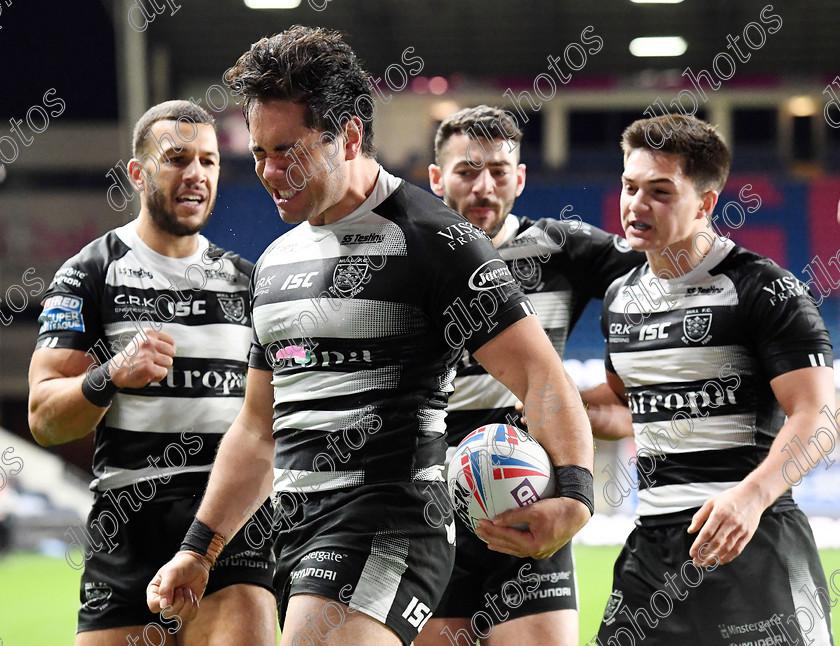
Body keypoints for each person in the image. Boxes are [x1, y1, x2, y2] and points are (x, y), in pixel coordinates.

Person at [145, 27, 595, 646]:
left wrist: (575, 496)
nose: (271, 173)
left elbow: (540, 374)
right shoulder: (275, 261)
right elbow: (257, 428)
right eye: (259, 154)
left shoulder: (435, 240)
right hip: (296, 535)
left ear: (350, 134)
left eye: (289, 151)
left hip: (393, 523)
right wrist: (198, 550)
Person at [28, 100, 277, 646]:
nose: (196, 175)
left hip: (227, 524)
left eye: (209, 162)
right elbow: (45, 419)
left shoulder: (249, 282)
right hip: (127, 526)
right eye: (177, 158)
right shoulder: (90, 272)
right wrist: (109, 375)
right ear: (138, 173)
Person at [587, 113, 836, 645]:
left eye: (659, 191)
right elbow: (625, 406)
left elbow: (820, 414)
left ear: (705, 204)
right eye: (630, 186)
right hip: (651, 554)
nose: (636, 205)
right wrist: (539, 413)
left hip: (755, 541)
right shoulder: (619, 298)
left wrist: (749, 498)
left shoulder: (765, 288)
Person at [415, 105, 642, 646]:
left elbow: (659, 269)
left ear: (519, 177)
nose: (483, 187)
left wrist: (623, 373)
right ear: (436, 178)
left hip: (533, 494)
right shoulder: (409, 258)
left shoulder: (561, 249)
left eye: (499, 171)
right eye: (467, 171)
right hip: (431, 507)